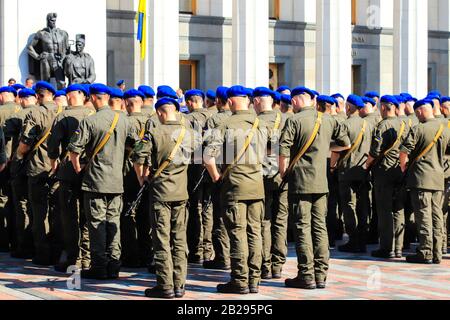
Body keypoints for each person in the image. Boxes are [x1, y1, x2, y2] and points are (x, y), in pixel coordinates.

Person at [279, 86, 351, 290]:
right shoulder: (329, 119)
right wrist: (325, 151)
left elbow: (283, 150)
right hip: (321, 181)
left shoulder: (294, 120)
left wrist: (284, 172)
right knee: (320, 227)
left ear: (294, 101)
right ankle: (321, 275)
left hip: (300, 181)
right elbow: (345, 144)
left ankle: (306, 274)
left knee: (302, 227)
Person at [204, 85, 268, 295]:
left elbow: (207, 157)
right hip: (257, 186)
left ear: (230, 101)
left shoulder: (225, 124)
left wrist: (216, 178)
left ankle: (240, 280)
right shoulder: (260, 124)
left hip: (234, 187)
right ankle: (254, 280)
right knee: (255, 233)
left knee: (238, 233)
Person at [133, 97, 198, 299]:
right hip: (181, 192)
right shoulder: (189, 133)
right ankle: (180, 284)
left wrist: (142, 179)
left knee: (162, 238)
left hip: (160, 192)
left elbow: (137, 158)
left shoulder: (154, 132)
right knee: (179, 239)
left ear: (160, 112)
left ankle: (165, 285)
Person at [68, 83, 130, 280]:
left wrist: (78, 168)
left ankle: (100, 266)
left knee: (96, 224)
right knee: (113, 223)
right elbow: (137, 146)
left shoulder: (90, 121)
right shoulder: (123, 120)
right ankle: (114, 264)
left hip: (95, 180)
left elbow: (74, 149)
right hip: (116, 181)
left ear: (94, 98)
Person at [47, 84, 93, 272]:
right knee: (88, 216)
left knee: (69, 216)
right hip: (90, 170)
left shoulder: (63, 116)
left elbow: (53, 146)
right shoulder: (93, 115)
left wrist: (54, 164)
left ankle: (74, 258)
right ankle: (87, 257)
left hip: (68, 170)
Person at [16, 81, 62, 265]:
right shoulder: (63, 112)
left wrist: (19, 155)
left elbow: (25, 144)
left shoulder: (35, 113)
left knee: (39, 212)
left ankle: (43, 254)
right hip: (58, 169)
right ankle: (58, 251)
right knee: (57, 212)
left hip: (37, 169)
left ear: (38, 96)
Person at [400, 99, 450, 264]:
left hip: (421, 178)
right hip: (438, 177)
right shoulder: (445, 129)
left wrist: (403, 168)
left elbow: (404, 152)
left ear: (420, 111)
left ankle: (425, 251)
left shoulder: (418, 128)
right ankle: (437, 252)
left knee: (423, 215)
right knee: (437, 215)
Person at [365, 95, 407, 259]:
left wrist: (367, 164)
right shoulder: (403, 123)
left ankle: (387, 247)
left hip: (384, 171)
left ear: (383, 107)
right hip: (399, 170)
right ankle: (398, 247)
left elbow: (375, 151)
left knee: (384, 210)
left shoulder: (383, 125)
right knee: (398, 209)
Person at [253, 87, 288, 279]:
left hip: (264, 176)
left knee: (264, 221)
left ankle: (265, 264)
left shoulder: (257, 122)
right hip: (284, 176)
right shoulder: (286, 119)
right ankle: (278, 265)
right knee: (281, 221)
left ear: (258, 101)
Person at [333, 95, 372, 253]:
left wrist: (332, 166)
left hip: (347, 170)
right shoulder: (368, 125)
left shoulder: (345, 125)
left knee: (349, 206)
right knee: (363, 206)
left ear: (348, 107)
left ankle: (353, 239)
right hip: (363, 170)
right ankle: (362, 239)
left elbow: (337, 148)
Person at [4, 89, 39, 259]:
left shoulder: (22, 114)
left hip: (19, 165)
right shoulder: (54, 112)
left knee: (19, 205)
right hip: (42, 168)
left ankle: (21, 245)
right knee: (37, 207)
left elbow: (9, 142)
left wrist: (12, 159)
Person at [120, 89, 152, 268]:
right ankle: (147, 254)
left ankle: (131, 256)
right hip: (148, 174)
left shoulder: (126, 122)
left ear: (127, 103)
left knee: (128, 215)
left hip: (130, 174)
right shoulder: (153, 121)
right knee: (144, 216)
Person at [202, 87, 232, 270]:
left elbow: (206, 147)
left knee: (219, 216)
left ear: (219, 101)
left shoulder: (214, 119)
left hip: (218, 172)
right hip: (239, 173)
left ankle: (222, 256)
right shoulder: (245, 119)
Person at [184, 89, 212, 264]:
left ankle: (196, 250)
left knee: (195, 208)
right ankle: (208, 249)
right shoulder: (213, 117)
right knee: (208, 208)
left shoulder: (187, 119)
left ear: (189, 102)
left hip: (194, 168)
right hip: (211, 168)